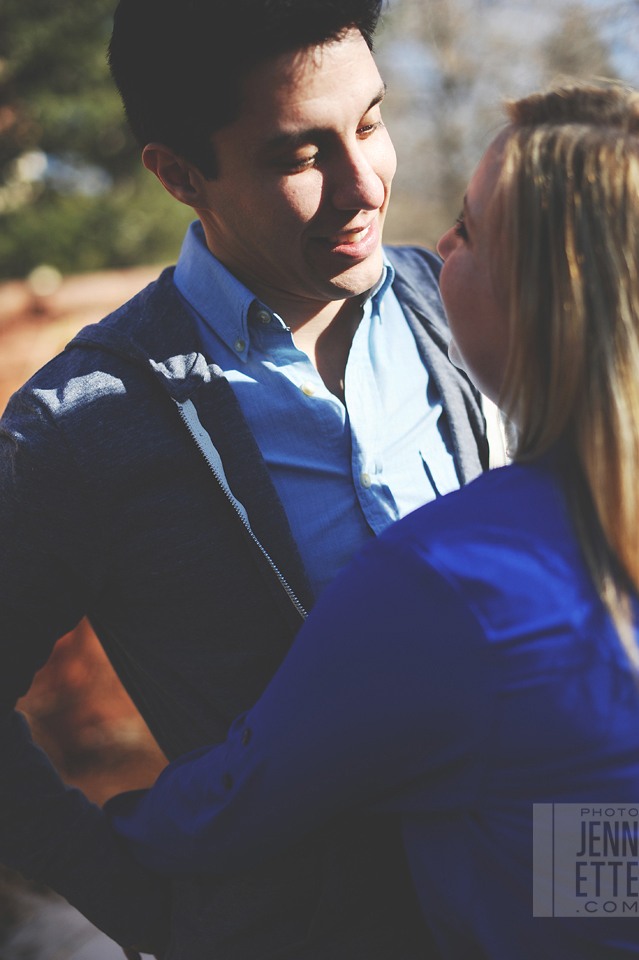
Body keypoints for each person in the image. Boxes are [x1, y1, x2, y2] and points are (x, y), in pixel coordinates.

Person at [0, 0, 487, 958]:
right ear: (179, 174)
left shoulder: (470, 306)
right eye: (300, 156)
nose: (364, 186)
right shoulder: (78, 429)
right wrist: (137, 902)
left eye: (370, 123)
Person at [109, 80, 639, 959]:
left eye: (467, 230)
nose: (436, 245)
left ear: (546, 303)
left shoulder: (455, 581)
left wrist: (107, 836)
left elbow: (237, 805)